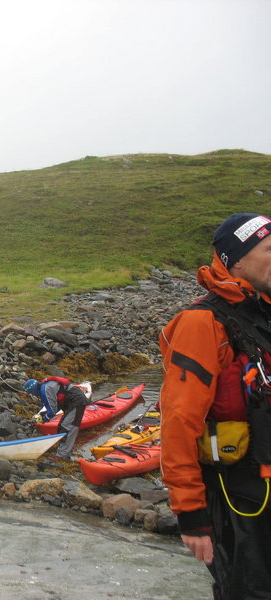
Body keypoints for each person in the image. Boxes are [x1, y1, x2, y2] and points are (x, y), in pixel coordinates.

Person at [159, 213, 271, 599]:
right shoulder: (201, 324)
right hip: (239, 501)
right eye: (269, 250)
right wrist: (191, 515)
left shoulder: (263, 312)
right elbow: (178, 420)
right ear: (236, 260)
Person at [22, 376, 92, 459]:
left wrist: (43, 419)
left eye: (32, 393)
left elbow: (52, 411)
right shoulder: (45, 387)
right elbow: (55, 405)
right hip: (70, 402)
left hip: (76, 400)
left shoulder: (45, 389)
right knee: (61, 426)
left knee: (67, 427)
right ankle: (64, 451)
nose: (33, 395)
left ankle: (62, 455)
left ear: (33, 390)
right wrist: (43, 414)